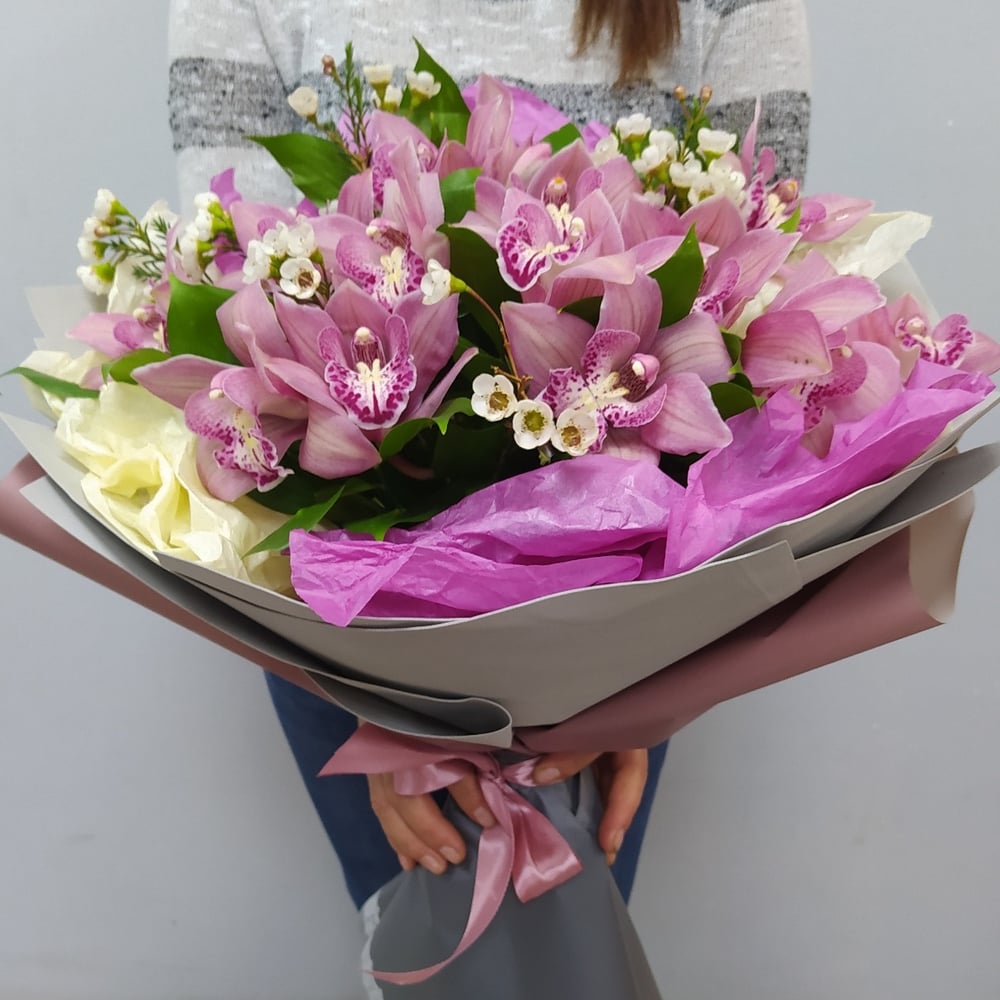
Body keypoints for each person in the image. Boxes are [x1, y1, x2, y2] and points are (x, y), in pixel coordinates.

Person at [166, 0, 811, 911]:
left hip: (629, 634)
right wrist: (376, 706)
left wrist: (648, 681)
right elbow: (239, 281)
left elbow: (757, 280)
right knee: (418, 944)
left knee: (572, 953)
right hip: (336, 634)